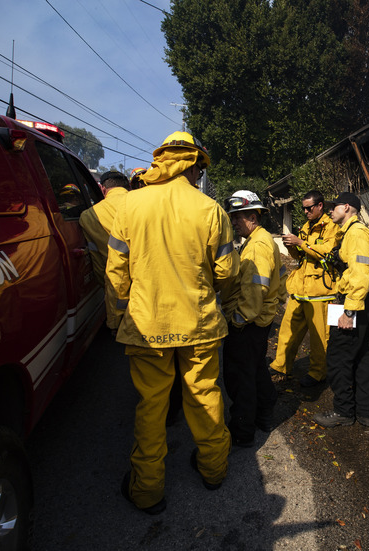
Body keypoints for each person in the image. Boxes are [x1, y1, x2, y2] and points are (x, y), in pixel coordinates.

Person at [107, 131, 238, 515]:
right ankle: (214, 471)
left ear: (162, 159)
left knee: (152, 406)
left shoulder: (129, 206)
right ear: (194, 165)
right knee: (206, 396)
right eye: (200, 168)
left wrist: (117, 318)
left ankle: (147, 491)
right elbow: (226, 271)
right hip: (199, 324)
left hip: (147, 326)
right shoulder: (210, 210)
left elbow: (117, 273)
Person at [220, 191, 283, 448]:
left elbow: (255, 290)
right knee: (255, 368)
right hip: (258, 320)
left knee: (239, 377)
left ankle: (242, 431)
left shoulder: (257, 245)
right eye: (232, 217)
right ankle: (265, 410)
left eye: (238, 218)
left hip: (249, 322)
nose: (234, 222)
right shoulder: (259, 240)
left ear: (253, 217)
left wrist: (237, 319)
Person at [313, 192, 369, 428]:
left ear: (347, 207)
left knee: (338, 357)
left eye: (334, 207)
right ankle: (365, 413)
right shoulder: (350, 233)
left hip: (355, 303)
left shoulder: (357, 234)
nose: (330, 210)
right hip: (358, 301)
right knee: (360, 357)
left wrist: (349, 311)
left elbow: (361, 274)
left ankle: (343, 411)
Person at [272, 190, 342, 387]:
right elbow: (300, 257)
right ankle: (280, 366)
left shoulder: (332, 228)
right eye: (303, 208)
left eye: (309, 208)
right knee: (287, 331)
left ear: (320, 206)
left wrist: (301, 243)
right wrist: (292, 246)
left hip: (320, 291)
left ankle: (317, 373)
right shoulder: (305, 226)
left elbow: (327, 254)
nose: (305, 211)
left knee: (320, 337)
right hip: (299, 288)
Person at [78, 171, 131, 333]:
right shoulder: (144, 203)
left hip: (118, 288)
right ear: (128, 186)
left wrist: (107, 286)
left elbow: (98, 262)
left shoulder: (88, 216)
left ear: (102, 188)